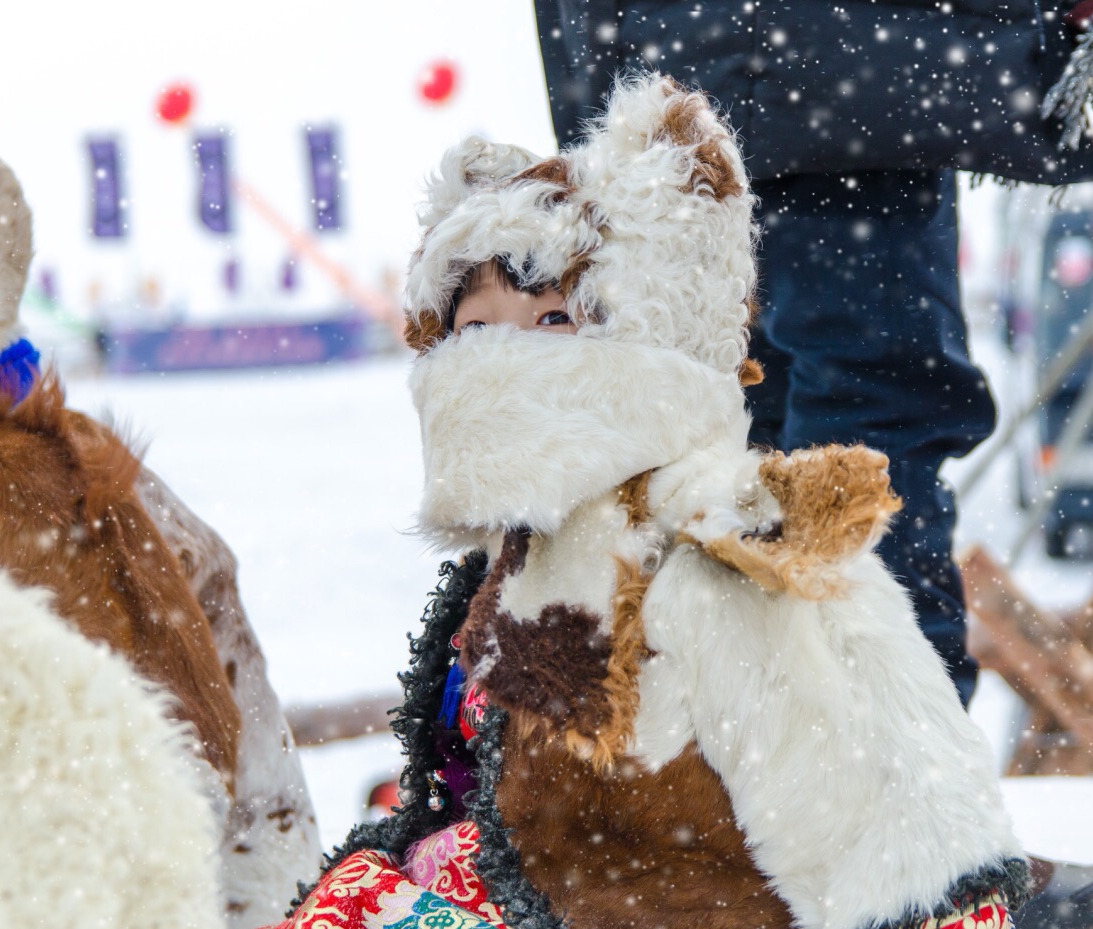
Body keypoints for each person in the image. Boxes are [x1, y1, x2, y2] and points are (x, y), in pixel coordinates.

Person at [279, 74, 1034, 929]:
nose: (499, 361)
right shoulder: (517, 558)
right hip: (537, 888)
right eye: (475, 327)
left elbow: (878, 751)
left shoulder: (701, 536)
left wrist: (937, 901)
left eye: (552, 320)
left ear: (642, 329)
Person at [531, 4, 1093, 929]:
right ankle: (918, 864)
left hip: (690, 58)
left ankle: (777, 851)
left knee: (734, 443)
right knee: (866, 425)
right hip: (830, 53)